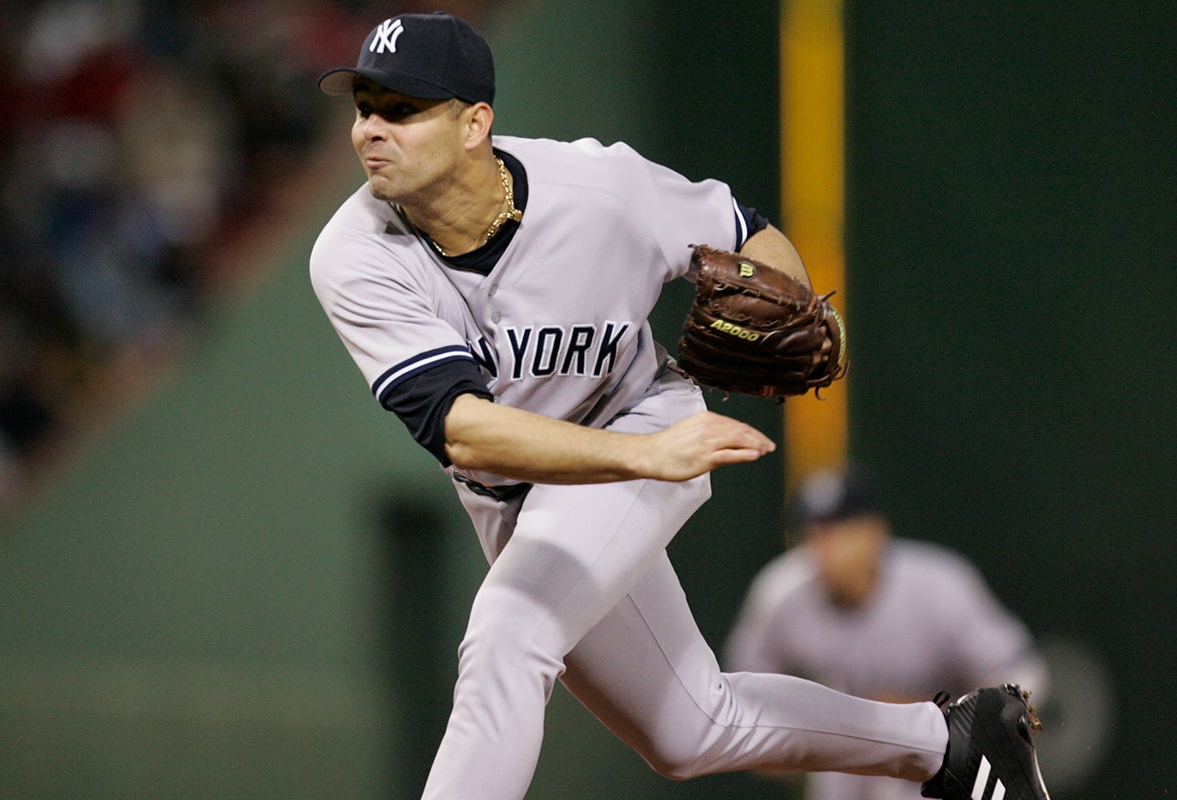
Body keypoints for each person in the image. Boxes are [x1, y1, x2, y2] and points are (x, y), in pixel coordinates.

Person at [308, 12, 1050, 800]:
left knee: (508, 637)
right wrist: (641, 462)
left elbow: (745, 232)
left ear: (474, 124)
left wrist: (802, 306)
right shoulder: (354, 255)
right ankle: (950, 744)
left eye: (400, 109)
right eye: (363, 107)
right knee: (689, 728)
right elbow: (465, 433)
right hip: (545, 481)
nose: (370, 131)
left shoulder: (599, 191)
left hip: (640, 416)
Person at [725, 464, 1050, 800]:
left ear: (875, 533)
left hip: (942, 769)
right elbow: (738, 710)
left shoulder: (938, 588)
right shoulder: (780, 596)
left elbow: (1025, 678)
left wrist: (942, 722)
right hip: (843, 777)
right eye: (816, 535)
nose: (828, 550)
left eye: (843, 532)